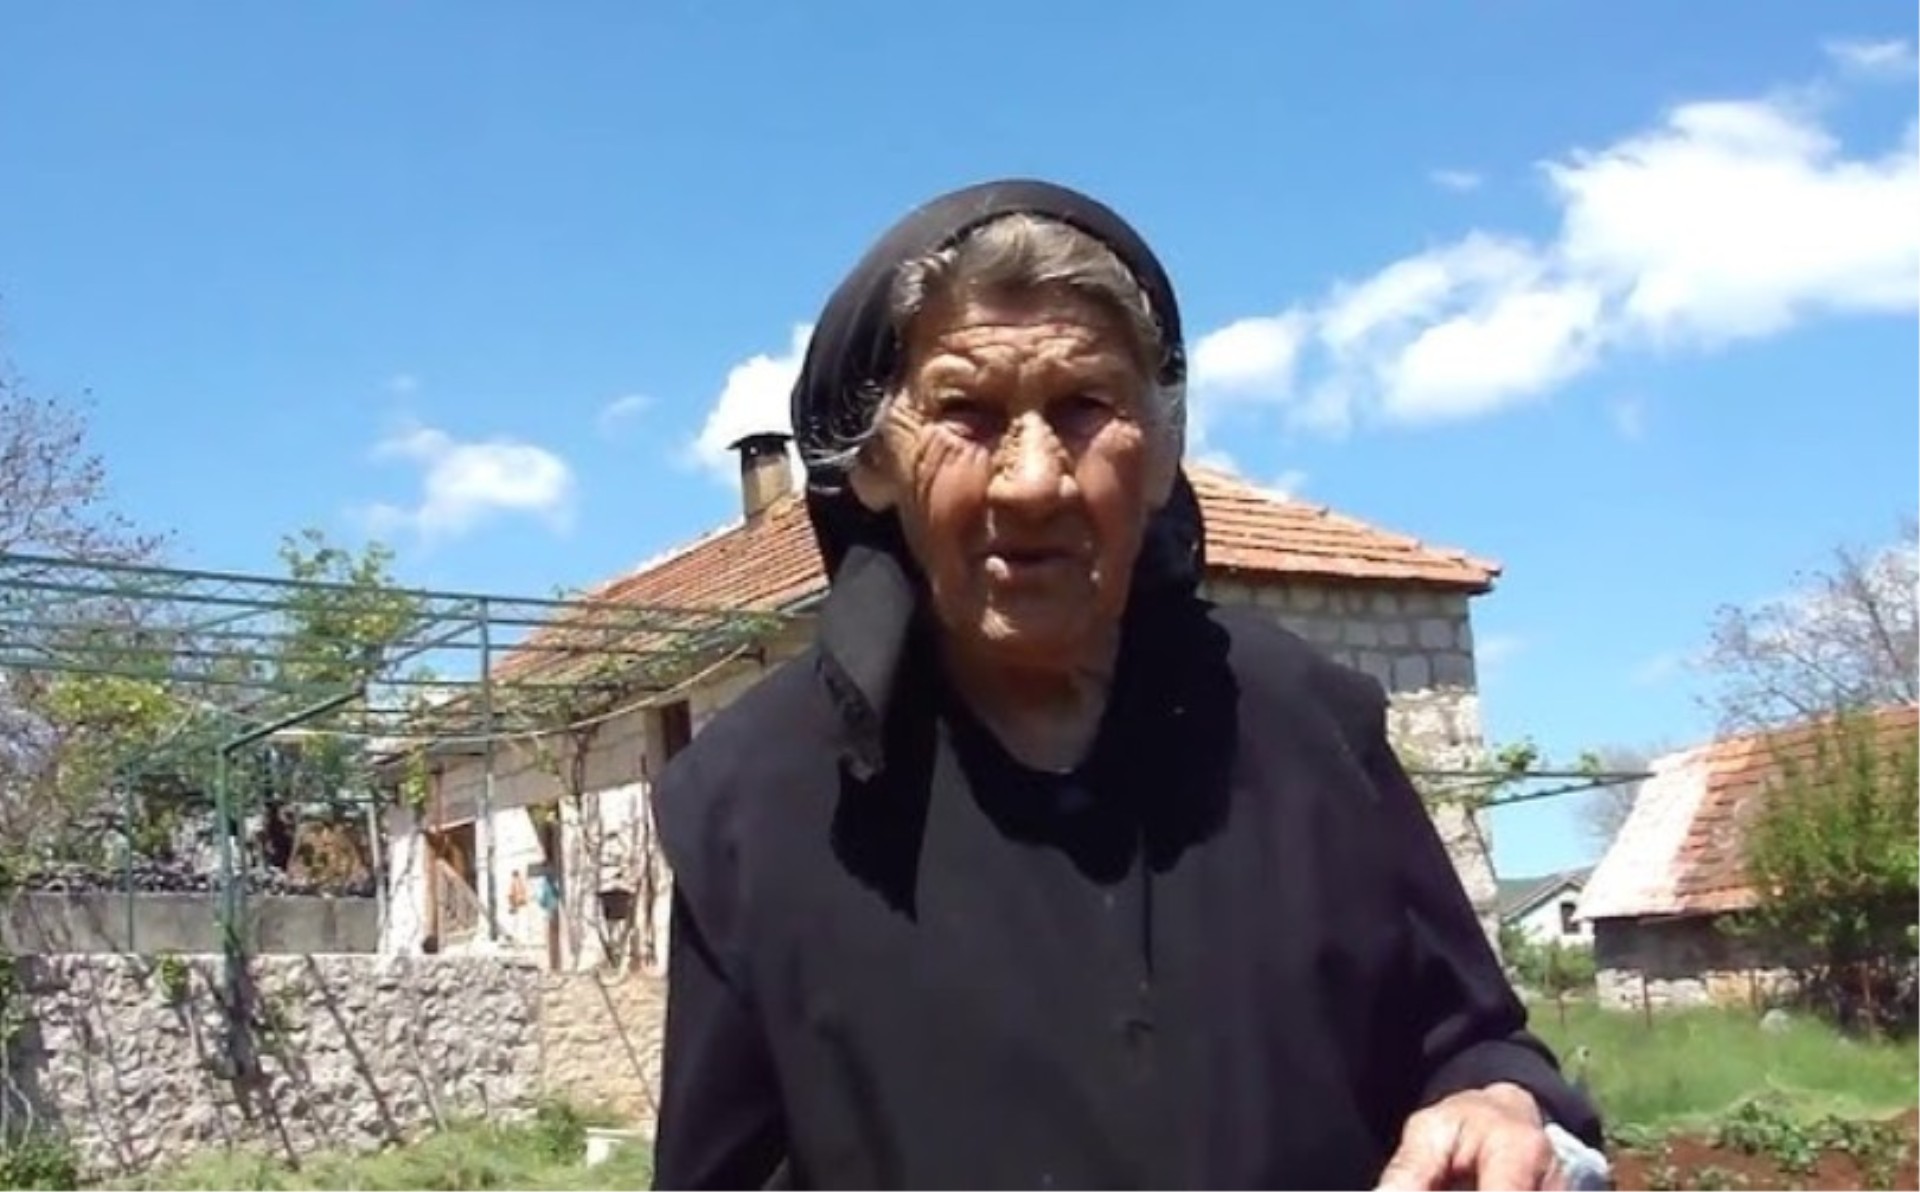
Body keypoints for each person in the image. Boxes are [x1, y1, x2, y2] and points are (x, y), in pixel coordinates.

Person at [650, 179, 1608, 1191]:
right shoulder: (753, 805)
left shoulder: (1303, 724)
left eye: (1084, 407)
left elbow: (1471, 1044)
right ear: (876, 464)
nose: (1033, 480)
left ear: (1158, 454)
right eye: (967, 413)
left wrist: (1500, 1102)